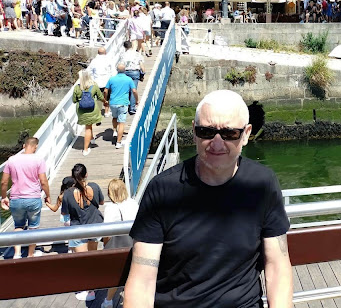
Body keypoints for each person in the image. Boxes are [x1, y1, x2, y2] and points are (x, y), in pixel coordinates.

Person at [124, 90, 292, 308]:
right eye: (206, 132)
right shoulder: (163, 190)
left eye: (230, 133)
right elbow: (142, 281)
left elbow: (277, 266)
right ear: (194, 132)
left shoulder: (262, 184)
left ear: (246, 134)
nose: (217, 143)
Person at [1, 137, 50, 259]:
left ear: (24, 146)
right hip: (33, 198)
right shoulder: (39, 160)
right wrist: (48, 195)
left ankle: (17, 254)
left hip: (16, 199)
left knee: (18, 226)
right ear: (36, 147)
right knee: (33, 226)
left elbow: (4, 182)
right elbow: (43, 181)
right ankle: (30, 254)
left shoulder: (12, 160)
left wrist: (4, 197)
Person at [62, 163, 104, 301]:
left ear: (72, 176)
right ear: (86, 174)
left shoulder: (68, 193)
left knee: (82, 260)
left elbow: (65, 213)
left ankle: (87, 288)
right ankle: (92, 289)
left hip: (78, 228)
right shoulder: (95, 186)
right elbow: (101, 202)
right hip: (95, 225)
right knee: (92, 257)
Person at [101, 179, 139, 308]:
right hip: (133, 243)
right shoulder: (133, 203)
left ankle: (108, 301)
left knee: (116, 275)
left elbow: (106, 232)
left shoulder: (111, 208)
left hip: (117, 246)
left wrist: (106, 245)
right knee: (133, 274)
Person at [105, 63, 138, 149]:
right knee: (121, 123)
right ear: (125, 70)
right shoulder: (128, 79)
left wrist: (105, 99)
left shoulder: (112, 79)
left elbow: (105, 90)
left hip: (113, 102)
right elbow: (134, 91)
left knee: (114, 117)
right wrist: (136, 100)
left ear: (117, 70)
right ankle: (118, 142)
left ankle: (115, 131)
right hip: (123, 103)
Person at [73, 70, 105, 156]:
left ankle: (91, 139)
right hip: (92, 109)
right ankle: (85, 149)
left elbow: (74, 100)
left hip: (81, 110)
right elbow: (100, 97)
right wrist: (105, 102)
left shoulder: (77, 88)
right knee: (88, 127)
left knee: (88, 125)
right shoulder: (94, 86)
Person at [88, 47, 116, 117]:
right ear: (105, 52)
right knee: (107, 97)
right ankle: (106, 112)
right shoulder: (109, 60)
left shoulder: (94, 61)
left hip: (97, 82)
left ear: (98, 53)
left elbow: (89, 72)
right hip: (107, 82)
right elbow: (113, 71)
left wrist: (92, 79)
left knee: (98, 98)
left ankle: (98, 113)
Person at [120, 41, 144, 114]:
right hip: (135, 72)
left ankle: (124, 106)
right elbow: (141, 65)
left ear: (124, 47)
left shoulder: (123, 55)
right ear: (132, 46)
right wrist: (143, 74)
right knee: (133, 90)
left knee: (125, 89)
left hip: (125, 72)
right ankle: (132, 108)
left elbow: (121, 65)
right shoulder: (137, 54)